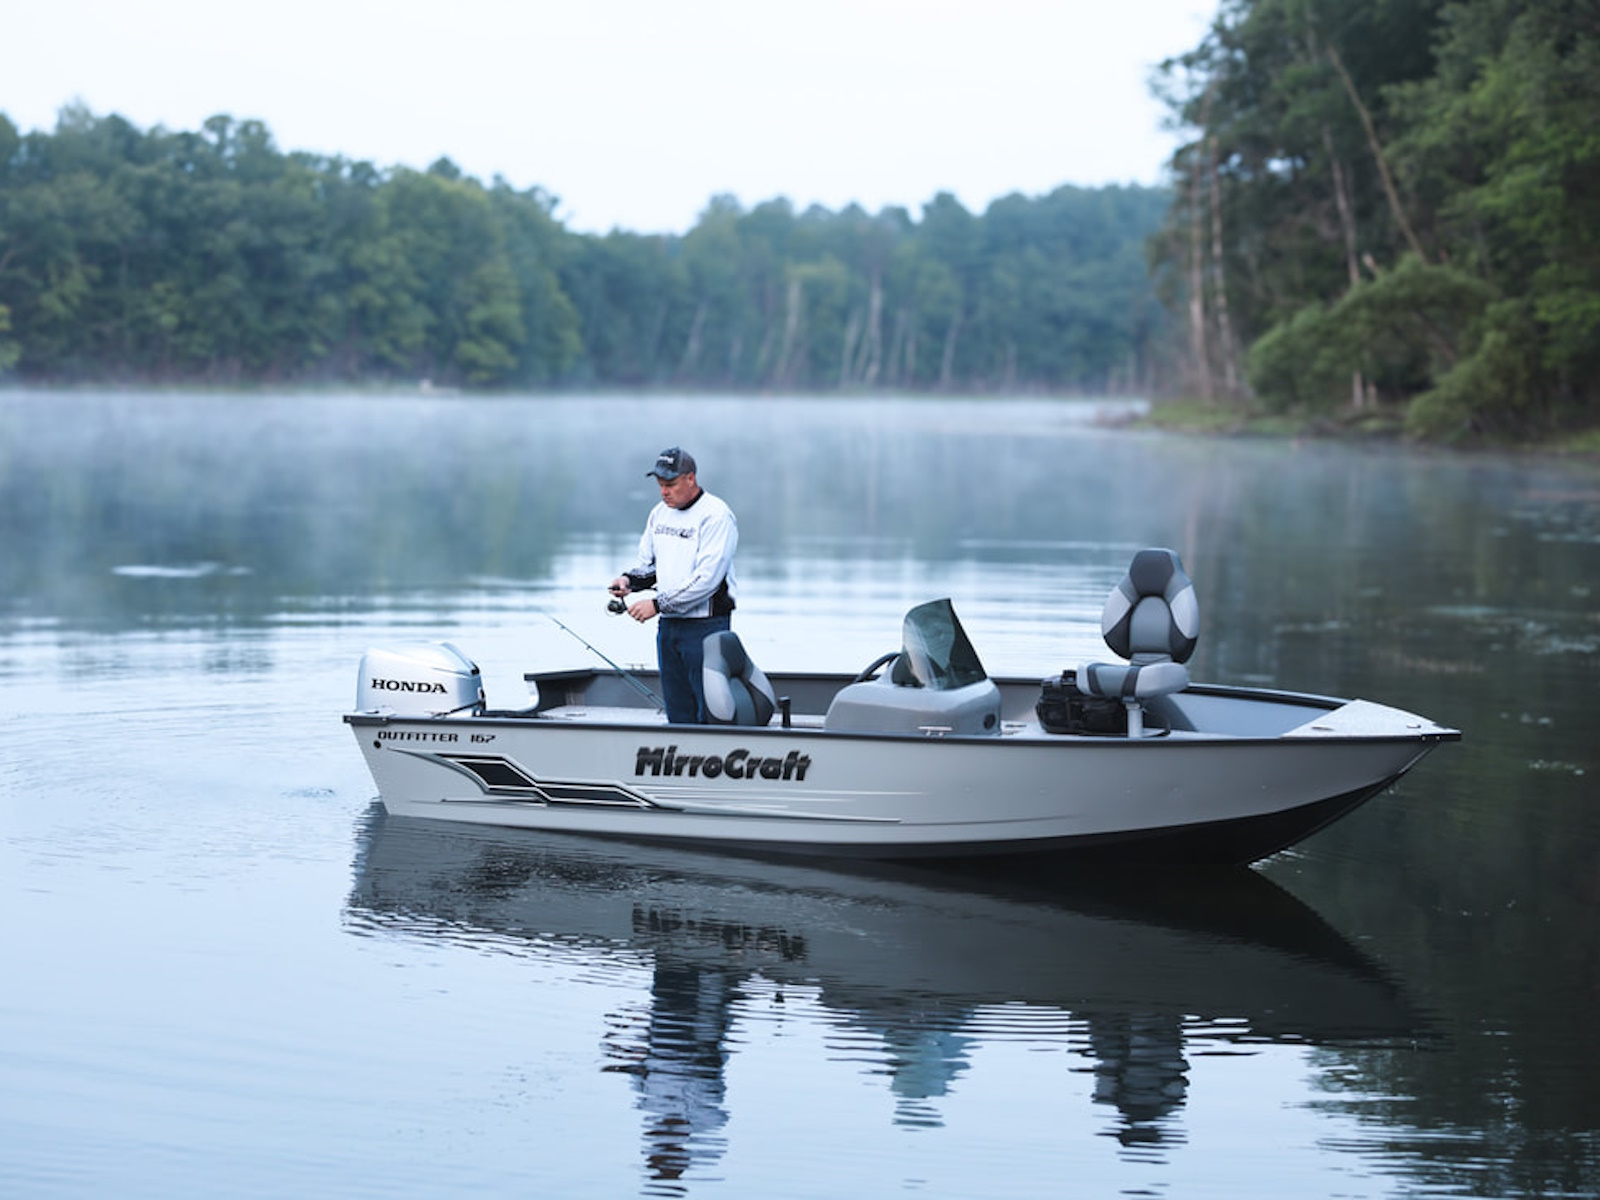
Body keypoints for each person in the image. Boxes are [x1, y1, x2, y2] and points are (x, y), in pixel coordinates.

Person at [610, 447, 738, 724]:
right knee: (678, 715)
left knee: (711, 714)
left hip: (707, 628)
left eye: (670, 484)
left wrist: (657, 604)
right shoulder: (659, 514)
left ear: (690, 478)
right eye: (660, 485)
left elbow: (706, 580)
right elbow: (650, 566)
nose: (664, 492)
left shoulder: (716, 515)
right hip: (668, 628)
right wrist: (628, 581)